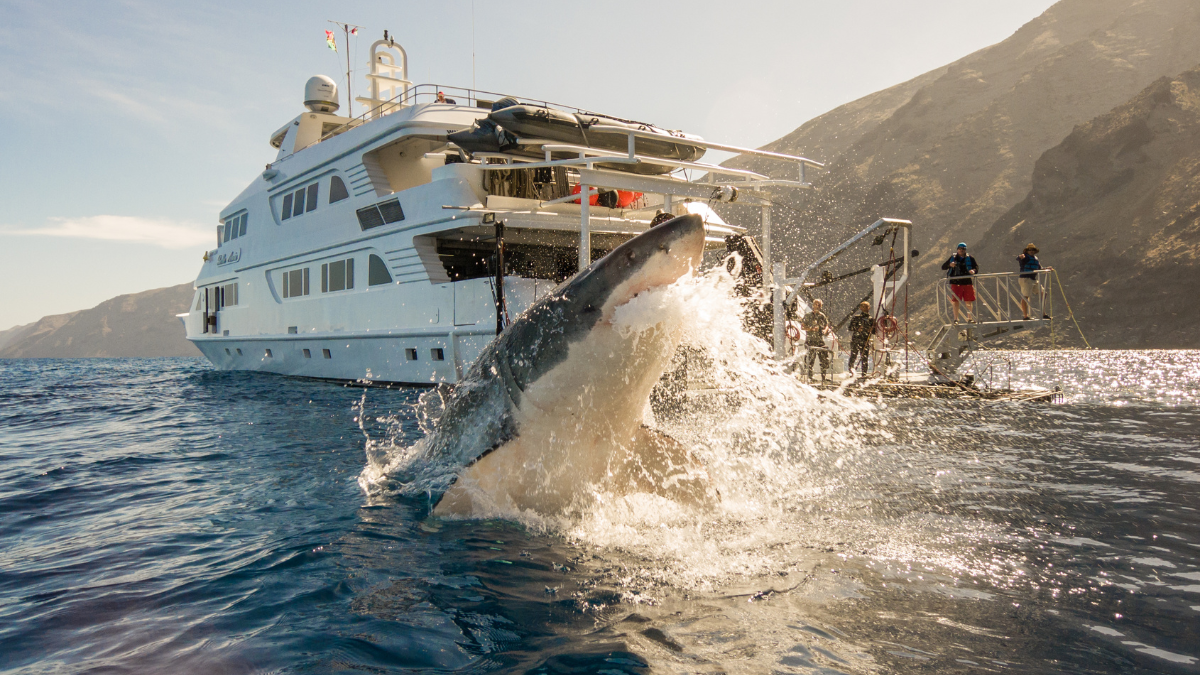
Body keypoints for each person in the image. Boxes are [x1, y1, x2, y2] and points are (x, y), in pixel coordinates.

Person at [941, 243, 978, 322]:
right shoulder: (953, 258)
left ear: (965, 250)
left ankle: (970, 318)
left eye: (963, 249)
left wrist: (973, 271)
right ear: (957, 249)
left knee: (968, 300)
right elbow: (943, 267)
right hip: (955, 282)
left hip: (967, 282)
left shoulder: (970, 258)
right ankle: (956, 319)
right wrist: (950, 265)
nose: (961, 250)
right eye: (960, 249)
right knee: (955, 301)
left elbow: (976, 267)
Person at [1016, 243, 1051, 320]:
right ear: (1027, 251)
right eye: (1029, 250)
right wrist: (1020, 257)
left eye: (1032, 250)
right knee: (1025, 296)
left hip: (1033, 279)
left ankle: (1043, 313)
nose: (1031, 251)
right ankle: (1025, 316)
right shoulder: (1025, 257)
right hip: (1025, 278)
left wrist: (1046, 269)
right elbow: (1019, 259)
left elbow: (1039, 268)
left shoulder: (1035, 258)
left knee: (1043, 293)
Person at [801, 299, 832, 382]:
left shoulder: (822, 316)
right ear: (813, 305)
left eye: (819, 305)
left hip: (819, 341)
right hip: (810, 340)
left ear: (821, 306)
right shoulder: (807, 315)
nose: (817, 306)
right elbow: (803, 327)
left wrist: (825, 331)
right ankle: (810, 377)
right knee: (810, 359)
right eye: (815, 304)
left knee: (824, 358)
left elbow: (826, 326)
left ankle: (823, 377)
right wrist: (811, 329)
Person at [847, 301, 874, 377]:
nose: (865, 308)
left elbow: (874, 331)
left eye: (866, 306)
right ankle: (851, 372)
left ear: (869, 308)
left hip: (865, 341)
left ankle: (864, 374)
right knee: (853, 356)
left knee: (864, 358)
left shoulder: (871, 319)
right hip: (856, 340)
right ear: (860, 308)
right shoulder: (856, 317)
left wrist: (870, 330)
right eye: (863, 306)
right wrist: (857, 328)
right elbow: (850, 328)